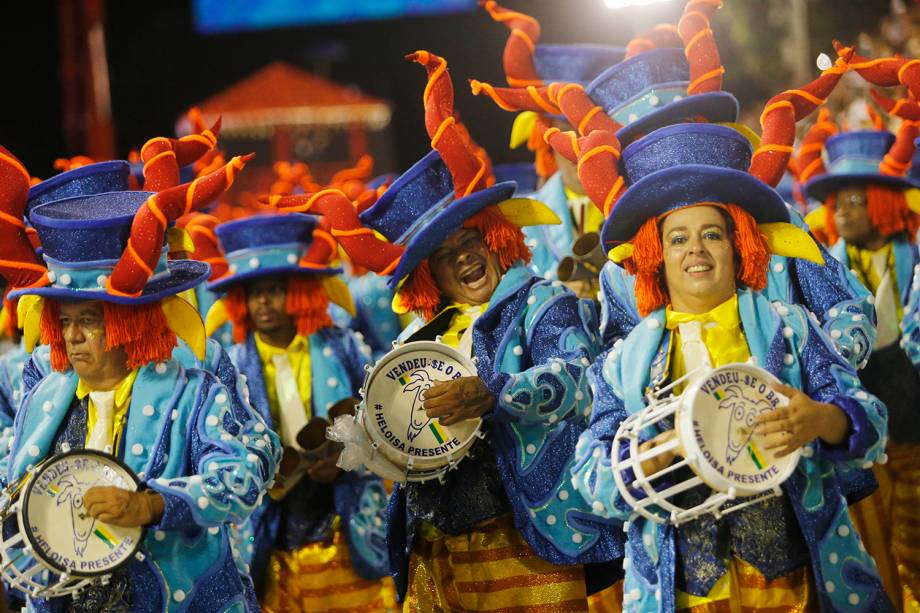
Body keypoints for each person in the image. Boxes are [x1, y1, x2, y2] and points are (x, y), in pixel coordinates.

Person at [270, 50, 624, 611]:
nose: (463, 259)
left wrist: (493, 394)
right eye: (443, 255)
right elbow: (396, 432)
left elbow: (578, 380)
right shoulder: (415, 342)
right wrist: (352, 447)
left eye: (470, 241)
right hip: (433, 550)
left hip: (526, 541)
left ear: (495, 237)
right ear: (427, 275)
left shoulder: (542, 304)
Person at [564, 117, 893, 611]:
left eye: (712, 234)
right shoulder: (623, 363)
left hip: (792, 582)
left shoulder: (792, 329)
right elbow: (589, 475)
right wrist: (639, 465)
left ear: (738, 245)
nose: (695, 248)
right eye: (677, 238)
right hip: (687, 592)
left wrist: (824, 420)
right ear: (656, 255)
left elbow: (873, 420)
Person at [474, 0, 877, 374]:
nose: (667, 149)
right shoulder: (622, 269)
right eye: (645, 144)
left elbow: (849, 310)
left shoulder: (777, 225)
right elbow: (617, 358)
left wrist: (809, 374)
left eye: (679, 128)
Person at [0, 146, 280, 612]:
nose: (71, 337)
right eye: (63, 321)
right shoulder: (44, 392)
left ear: (131, 322)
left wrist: (150, 505)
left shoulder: (195, 391)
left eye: (88, 320)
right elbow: (10, 467)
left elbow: (247, 470)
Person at [207, 212, 394, 612]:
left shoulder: (343, 346)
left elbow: (380, 419)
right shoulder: (230, 365)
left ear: (298, 292)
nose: (263, 302)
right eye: (253, 292)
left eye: (274, 289)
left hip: (347, 520)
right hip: (269, 531)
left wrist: (347, 463)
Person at [802, 80, 920, 610]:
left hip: (914, 419)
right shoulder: (823, 268)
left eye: (855, 200)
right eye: (836, 203)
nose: (843, 212)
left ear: (883, 199)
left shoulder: (914, 257)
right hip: (860, 432)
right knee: (874, 541)